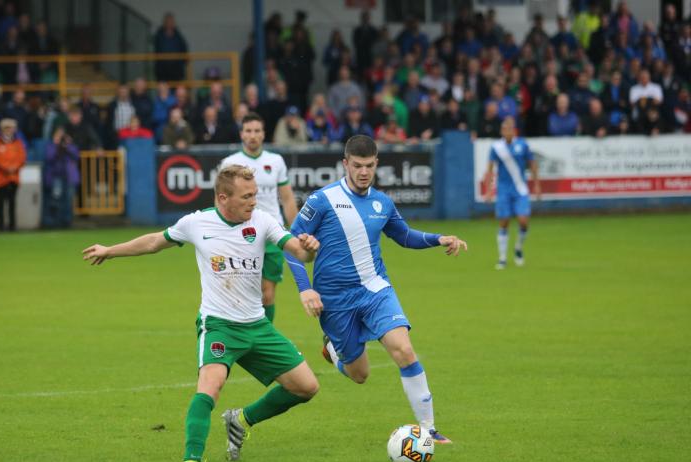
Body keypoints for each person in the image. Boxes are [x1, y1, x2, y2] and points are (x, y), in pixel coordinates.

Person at [82, 165, 321, 462]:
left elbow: (298, 252)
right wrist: (111, 251)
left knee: (306, 386)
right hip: (219, 324)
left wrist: (309, 250)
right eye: (247, 196)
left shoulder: (263, 220)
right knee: (211, 385)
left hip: (257, 325)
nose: (254, 202)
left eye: (256, 195)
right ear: (224, 198)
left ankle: (241, 420)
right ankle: (191, 460)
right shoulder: (197, 223)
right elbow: (155, 242)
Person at [285, 135, 467, 444]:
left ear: (377, 164)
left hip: (375, 289)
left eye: (369, 166)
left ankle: (429, 429)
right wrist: (306, 289)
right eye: (357, 166)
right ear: (345, 164)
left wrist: (439, 238)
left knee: (404, 349)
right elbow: (289, 246)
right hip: (334, 299)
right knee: (360, 374)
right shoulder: (322, 200)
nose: (363, 172)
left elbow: (405, 236)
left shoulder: (383, 202)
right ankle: (333, 349)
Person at [219, 113, 297, 323]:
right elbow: (221, 201)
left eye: (257, 131)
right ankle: (239, 332)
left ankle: (264, 338)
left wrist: (297, 230)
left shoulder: (276, 161)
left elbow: (287, 198)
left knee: (267, 293)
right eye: (248, 131)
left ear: (264, 134)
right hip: (239, 233)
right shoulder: (230, 163)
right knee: (239, 291)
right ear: (242, 134)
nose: (253, 135)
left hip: (271, 233)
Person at [482, 117, 541, 270]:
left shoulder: (522, 145)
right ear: (502, 131)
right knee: (504, 222)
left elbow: (533, 164)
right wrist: (488, 191)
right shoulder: (496, 147)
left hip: (520, 189)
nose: (506, 131)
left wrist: (537, 185)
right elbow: (489, 170)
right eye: (504, 129)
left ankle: (518, 248)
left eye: (509, 129)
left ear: (513, 130)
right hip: (503, 190)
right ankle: (502, 258)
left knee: (523, 221)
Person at [0, 118, 27, 232]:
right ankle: (0, 225)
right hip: (0, 178)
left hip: (14, 177)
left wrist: (14, 167)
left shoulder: (18, 143)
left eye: (11, 128)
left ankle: (12, 225)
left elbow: (21, 158)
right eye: (7, 128)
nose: (9, 131)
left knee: (12, 202)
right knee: (0, 202)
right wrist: (6, 168)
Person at [42, 126, 79, 228]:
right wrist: (58, 146)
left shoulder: (70, 146)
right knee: (56, 200)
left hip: (69, 176)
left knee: (68, 200)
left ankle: (67, 222)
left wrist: (66, 146)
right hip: (56, 176)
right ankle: (55, 222)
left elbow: (76, 156)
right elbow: (50, 158)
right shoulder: (51, 146)